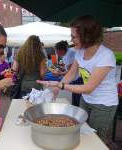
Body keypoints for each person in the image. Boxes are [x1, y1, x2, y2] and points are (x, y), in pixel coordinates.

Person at [37, 15, 118, 143]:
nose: (71, 40)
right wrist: (58, 87)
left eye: (74, 36)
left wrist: (61, 86)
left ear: (87, 36)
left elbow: (88, 88)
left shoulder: (105, 56)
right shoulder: (80, 52)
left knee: (95, 139)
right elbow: (72, 73)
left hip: (104, 104)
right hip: (86, 100)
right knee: (81, 131)